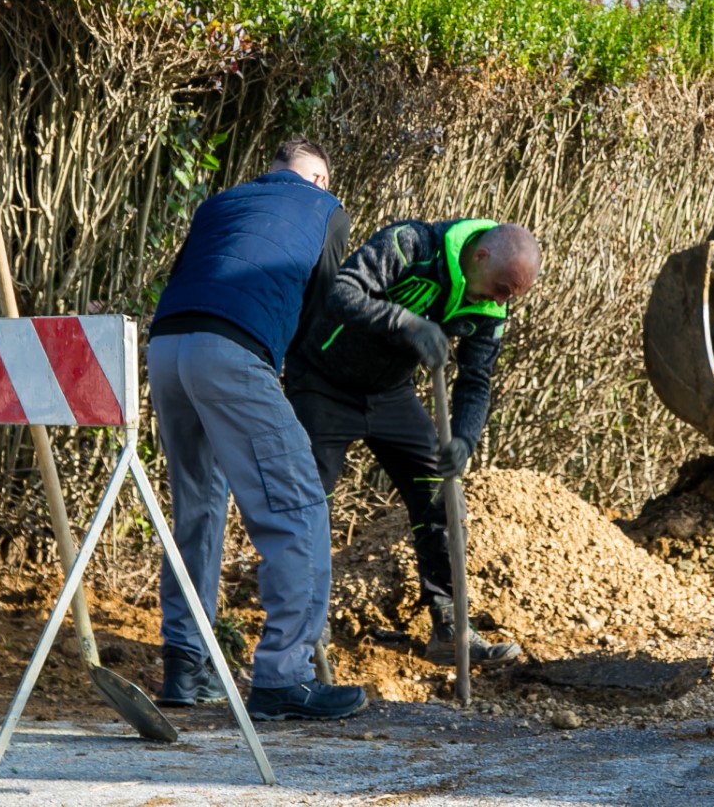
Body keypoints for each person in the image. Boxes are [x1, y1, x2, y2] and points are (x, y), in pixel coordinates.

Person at [146, 136, 366, 721]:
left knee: (197, 505)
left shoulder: (220, 203)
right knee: (297, 504)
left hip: (166, 347)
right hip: (233, 353)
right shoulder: (326, 209)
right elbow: (321, 307)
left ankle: (184, 665)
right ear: (318, 178)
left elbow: (190, 273)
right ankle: (283, 678)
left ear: (273, 170)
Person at [286, 219, 540, 667]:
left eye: (510, 297)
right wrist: (405, 322)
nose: (501, 301)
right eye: (500, 288)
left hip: (389, 395)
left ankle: (449, 628)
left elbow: (476, 381)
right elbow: (343, 292)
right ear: (480, 257)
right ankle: (306, 629)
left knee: (442, 493)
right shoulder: (412, 246)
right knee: (311, 498)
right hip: (323, 381)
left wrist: (464, 438)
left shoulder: (490, 306)